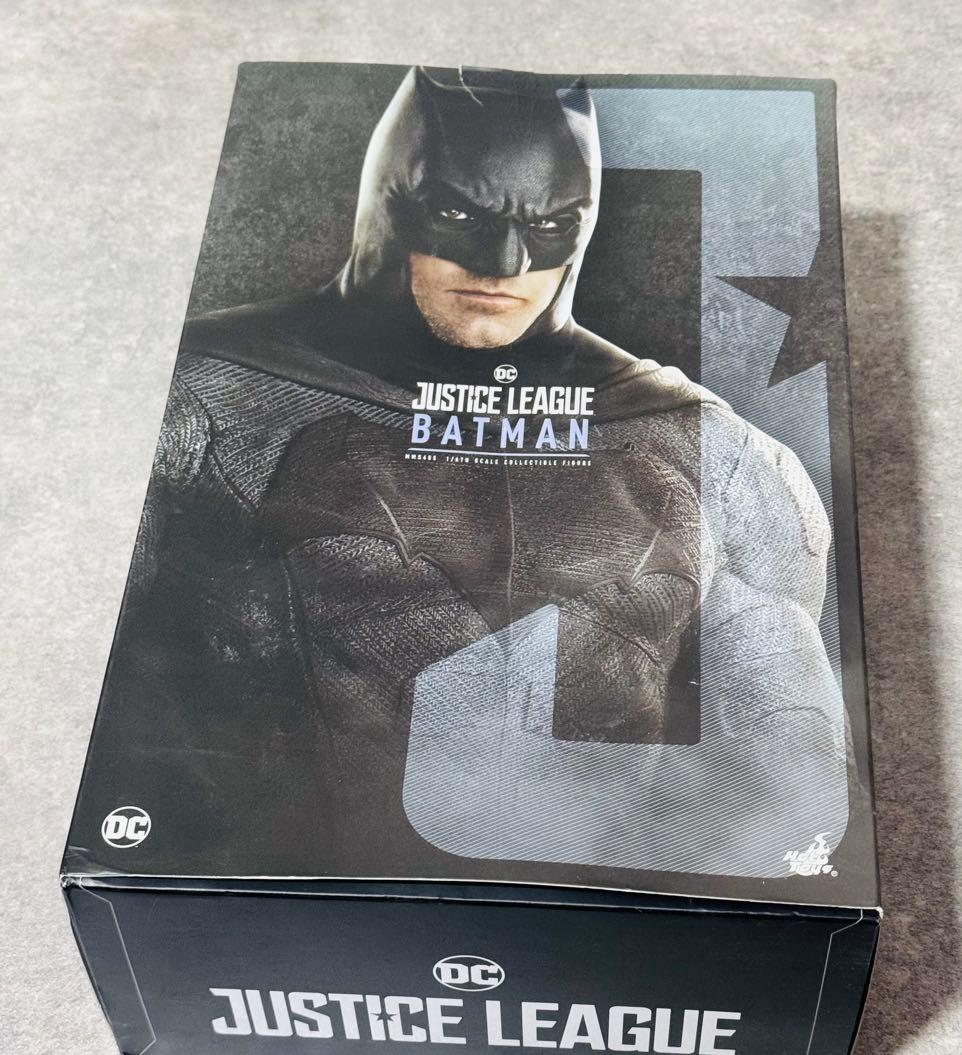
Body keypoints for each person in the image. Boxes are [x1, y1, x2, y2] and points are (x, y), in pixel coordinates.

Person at [95, 66, 847, 879]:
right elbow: (119, 724)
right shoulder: (202, 402)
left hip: (596, 902)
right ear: (388, 204)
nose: (505, 264)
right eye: (458, 215)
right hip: (286, 891)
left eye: (549, 225)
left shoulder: (715, 450)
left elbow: (787, 766)